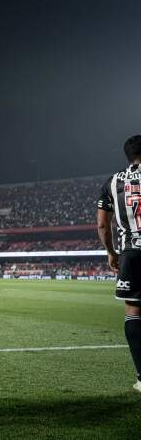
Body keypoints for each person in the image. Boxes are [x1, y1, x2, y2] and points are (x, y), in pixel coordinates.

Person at [96, 134, 141, 394]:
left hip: (132, 253)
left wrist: (111, 252)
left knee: (134, 313)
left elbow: (103, 224)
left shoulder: (113, 182)